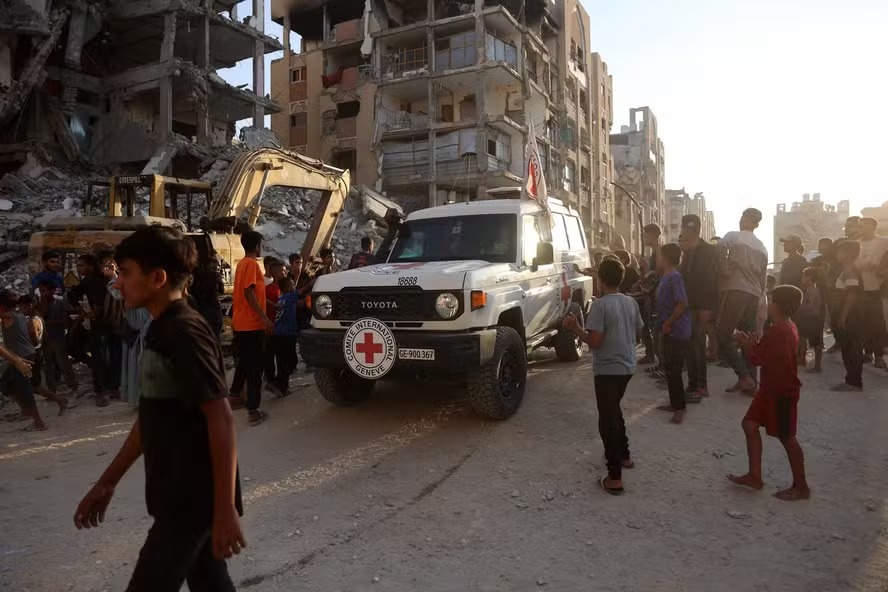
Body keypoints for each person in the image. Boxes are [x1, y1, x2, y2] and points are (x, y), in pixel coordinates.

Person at [74, 226, 245, 590]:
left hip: (190, 501)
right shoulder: (160, 329)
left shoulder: (184, 332)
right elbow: (151, 418)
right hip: (179, 496)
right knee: (211, 582)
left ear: (157, 278)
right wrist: (107, 482)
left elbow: (221, 417)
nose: (118, 283)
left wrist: (225, 508)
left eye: (125, 273)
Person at [562, 259, 643, 495]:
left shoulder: (600, 305)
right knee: (614, 411)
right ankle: (625, 455)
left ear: (600, 280)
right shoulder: (630, 302)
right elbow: (638, 333)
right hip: (627, 367)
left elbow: (594, 341)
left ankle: (614, 476)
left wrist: (575, 328)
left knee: (607, 421)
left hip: (608, 369)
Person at [729, 285, 809, 502]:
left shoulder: (779, 332)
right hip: (770, 389)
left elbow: (756, 358)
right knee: (749, 425)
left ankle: (801, 487)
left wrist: (747, 345)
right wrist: (752, 344)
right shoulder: (786, 327)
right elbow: (765, 353)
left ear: (779, 306)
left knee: (787, 438)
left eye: (771, 302)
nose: (768, 306)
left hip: (781, 392)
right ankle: (754, 476)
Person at [715, 208, 769, 395]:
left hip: (736, 290)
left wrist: (724, 268)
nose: (741, 220)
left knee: (722, 334)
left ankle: (744, 376)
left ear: (748, 221)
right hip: (753, 294)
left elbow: (718, 249)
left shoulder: (733, 236)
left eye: (743, 217)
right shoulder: (762, 247)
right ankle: (751, 383)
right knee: (748, 339)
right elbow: (763, 277)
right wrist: (759, 295)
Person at [229, 231, 272, 426]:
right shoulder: (252, 264)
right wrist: (264, 318)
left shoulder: (242, 264)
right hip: (251, 324)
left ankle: (234, 396)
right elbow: (249, 292)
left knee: (245, 362)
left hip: (241, 323)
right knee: (255, 367)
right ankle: (253, 410)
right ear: (257, 246)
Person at [679, 214, 721, 402]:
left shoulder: (707, 251)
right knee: (693, 346)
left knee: (695, 347)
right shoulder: (689, 251)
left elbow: (712, 281)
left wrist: (708, 307)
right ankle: (697, 385)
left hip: (701, 306)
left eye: (684, 229)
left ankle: (697, 387)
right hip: (690, 305)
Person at [68, 254, 113, 407]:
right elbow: (73, 295)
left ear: (90, 265)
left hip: (103, 324)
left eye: (81, 265)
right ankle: (108, 388)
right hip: (106, 324)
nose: (79, 268)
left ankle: (103, 391)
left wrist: (88, 313)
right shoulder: (91, 280)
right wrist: (82, 312)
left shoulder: (96, 280)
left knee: (101, 358)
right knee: (104, 357)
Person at [653, 243, 691, 424]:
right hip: (669, 329)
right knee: (669, 368)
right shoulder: (665, 277)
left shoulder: (675, 277)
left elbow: (682, 303)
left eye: (660, 256)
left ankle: (680, 408)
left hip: (677, 330)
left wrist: (668, 322)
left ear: (666, 258)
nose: (658, 259)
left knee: (674, 370)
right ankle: (675, 403)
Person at [831, 239, 865, 391]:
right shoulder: (846, 270)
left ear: (848, 254)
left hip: (852, 316)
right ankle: (851, 380)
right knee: (847, 348)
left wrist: (843, 316)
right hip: (848, 314)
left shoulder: (850, 270)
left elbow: (852, 295)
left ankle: (854, 382)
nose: (837, 253)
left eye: (840, 251)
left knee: (852, 348)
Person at [856, 218, 888, 368]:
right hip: (860, 290)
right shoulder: (856, 244)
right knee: (864, 324)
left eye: (863, 225)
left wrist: (884, 269)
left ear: (872, 227)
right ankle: (867, 353)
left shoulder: (883, 241)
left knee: (878, 325)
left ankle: (879, 356)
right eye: (859, 225)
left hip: (878, 290)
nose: (860, 228)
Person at [36, 279, 78, 395]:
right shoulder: (41, 302)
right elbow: (40, 317)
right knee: (48, 364)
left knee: (63, 361)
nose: (42, 293)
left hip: (57, 336)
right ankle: (51, 388)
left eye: (44, 290)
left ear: (52, 290)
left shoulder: (60, 302)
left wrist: (47, 322)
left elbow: (64, 321)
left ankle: (72, 384)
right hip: (45, 338)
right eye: (41, 291)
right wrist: (44, 303)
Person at [270, 277, 300, 396]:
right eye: (292, 285)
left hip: (278, 333)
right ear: (288, 288)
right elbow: (303, 291)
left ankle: (283, 388)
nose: (294, 286)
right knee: (292, 362)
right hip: (287, 334)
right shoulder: (290, 296)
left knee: (282, 363)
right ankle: (277, 383)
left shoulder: (281, 298)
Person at [262, 257, 286, 391]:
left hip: (282, 328)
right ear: (275, 274)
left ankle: (278, 383)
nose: (285, 273)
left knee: (281, 357)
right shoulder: (268, 289)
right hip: (272, 327)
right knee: (270, 356)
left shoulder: (284, 288)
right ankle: (271, 381)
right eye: (283, 271)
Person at [795, 268, 823, 373]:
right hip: (808, 318)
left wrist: (799, 308)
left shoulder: (812, 290)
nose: (802, 279)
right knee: (802, 338)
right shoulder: (809, 289)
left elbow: (811, 306)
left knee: (816, 343)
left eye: (804, 276)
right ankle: (802, 359)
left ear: (809, 277)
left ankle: (817, 366)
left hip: (812, 318)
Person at [190, 253, 225, 338]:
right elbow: (222, 291)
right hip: (213, 307)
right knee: (216, 335)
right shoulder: (215, 275)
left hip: (200, 308)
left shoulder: (196, 276)